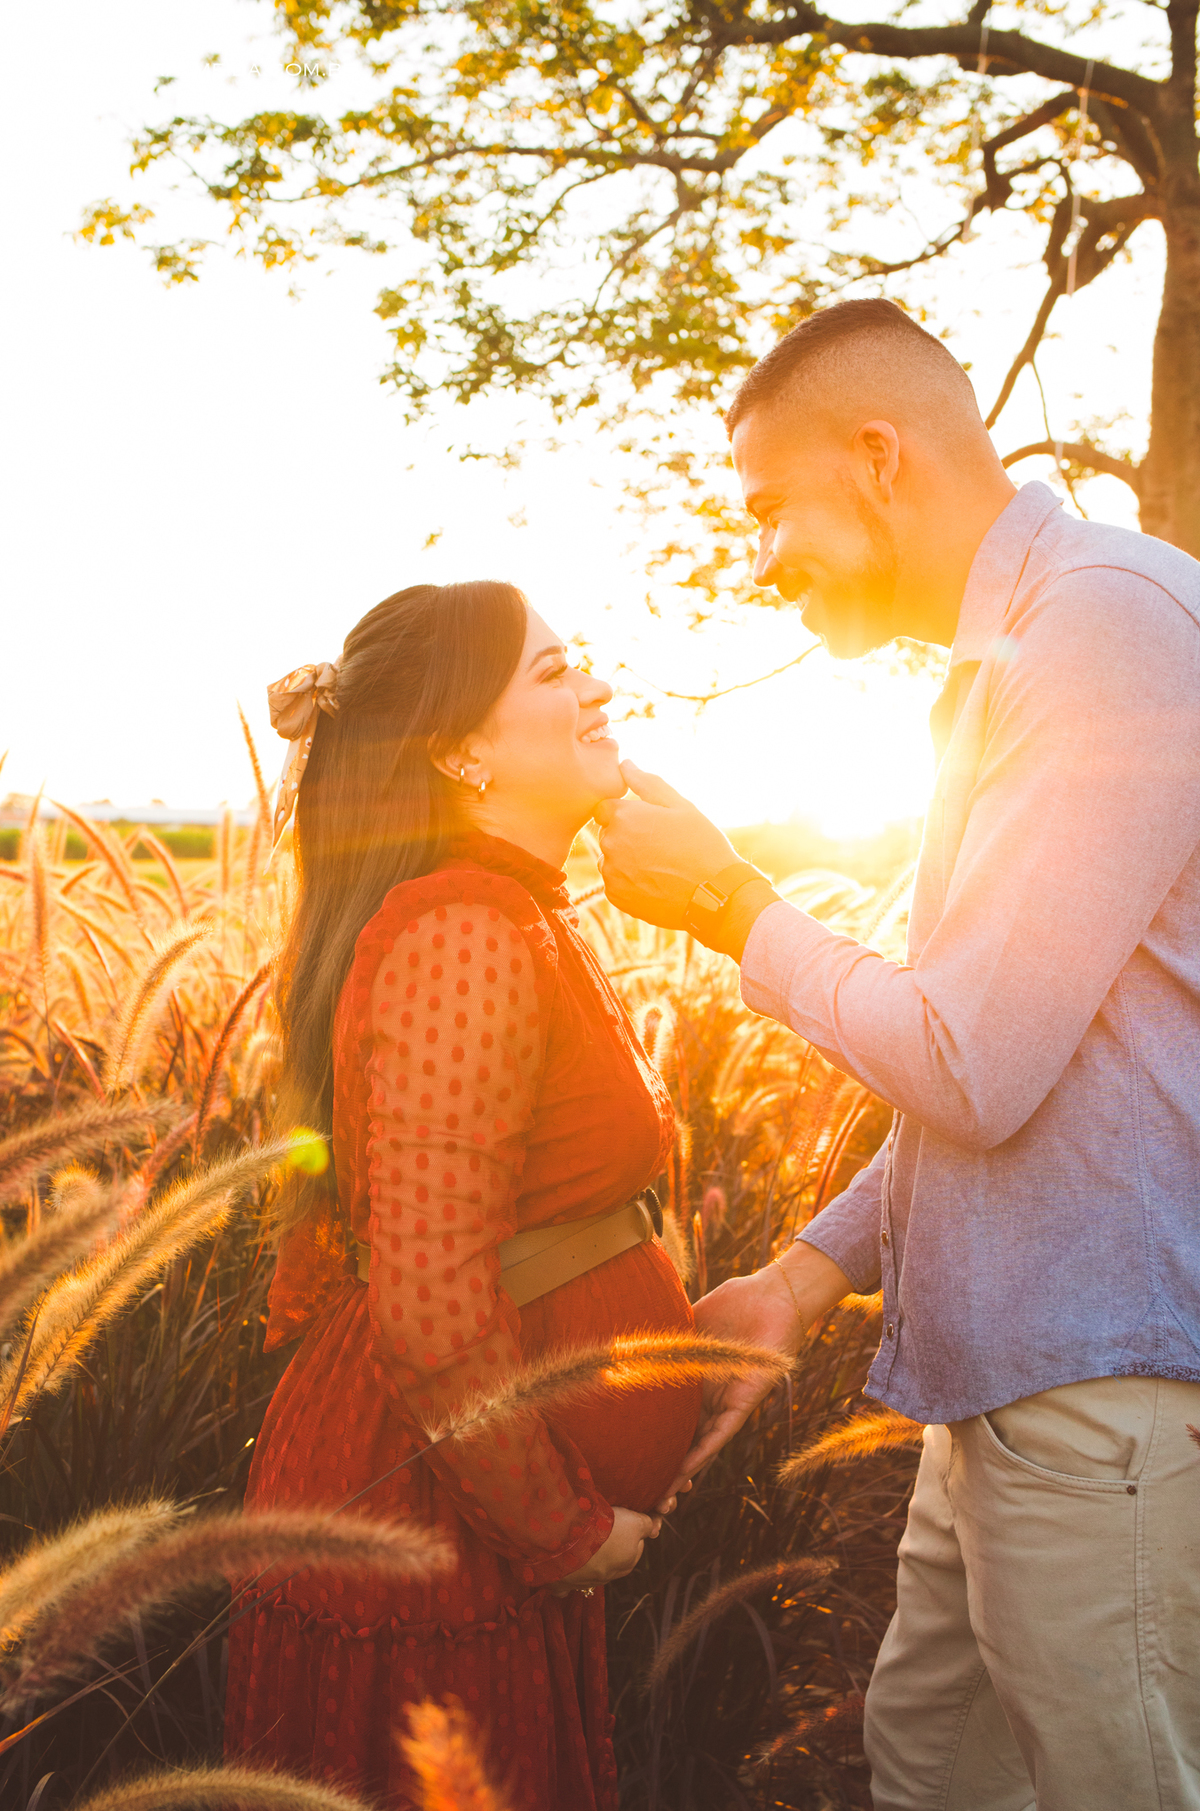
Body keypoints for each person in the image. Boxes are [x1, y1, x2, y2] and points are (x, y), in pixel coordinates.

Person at [597, 299, 1200, 1810]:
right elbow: (1035, 1064)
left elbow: (971, 1059)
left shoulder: (1107, 625)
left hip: (1100, 1381)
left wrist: (734, 907)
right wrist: (798, 1280)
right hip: (1008, 1367)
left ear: (878, 458)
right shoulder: (1017, 647)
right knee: (932, 1763)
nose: (762, 557)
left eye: (769, 507)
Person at [224, 581, 700, 1810]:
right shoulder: (467, 931)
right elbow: (431, 1303)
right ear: (459, 750)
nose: (594, 686)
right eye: (552, 672)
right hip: (442, 1522)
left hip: (474, 1494)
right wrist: (564, 1526)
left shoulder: (515, 910)